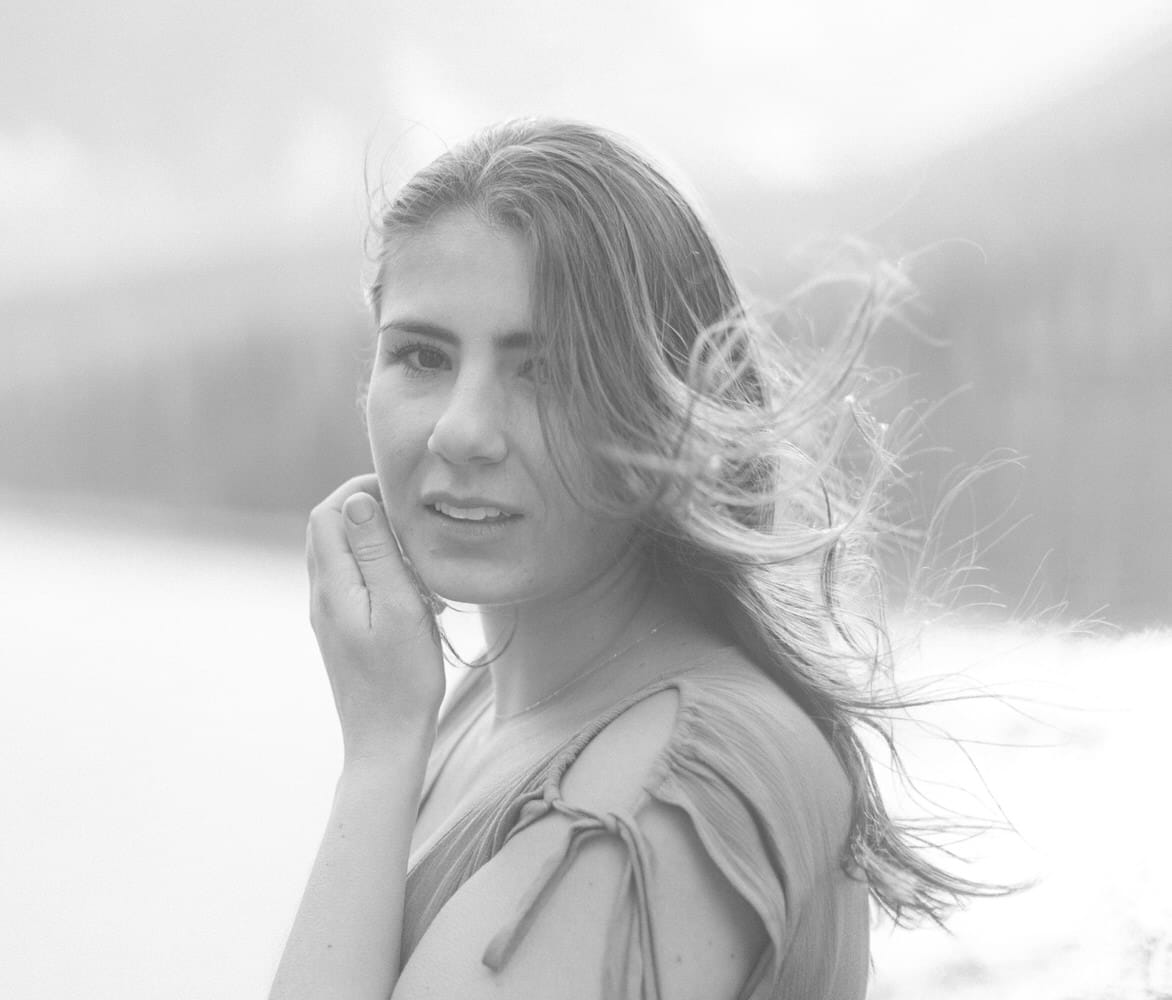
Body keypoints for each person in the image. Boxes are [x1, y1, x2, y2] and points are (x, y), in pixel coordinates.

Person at [270, 118, 997, 1000]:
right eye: (422, 355)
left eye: (546, 370)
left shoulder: (670, 785)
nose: (461, 428)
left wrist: (381, 754)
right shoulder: (493, 702)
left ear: (670, 406)